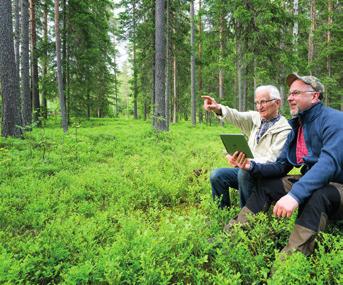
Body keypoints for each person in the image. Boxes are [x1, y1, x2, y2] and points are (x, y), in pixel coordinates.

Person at [227, 73, 343, 255]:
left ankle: (288, 262)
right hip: (317, 181)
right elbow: (282, 165)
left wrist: (295, 195)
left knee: (317, 195)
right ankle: (232, 236)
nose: (289, 98)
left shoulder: (335, 120)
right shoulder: (297, 125)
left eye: (296, 93)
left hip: (338, 185)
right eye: (290, 93)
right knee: (268, 185)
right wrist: (251, 166)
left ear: (314, 96)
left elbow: (328, 164)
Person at [202, 85, 291, 208]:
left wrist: (247, 163)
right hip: (247, 169)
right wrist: (217, 108)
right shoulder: (255, 118)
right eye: (257, 102)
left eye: (263, 102)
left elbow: (273, 160)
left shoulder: (285, 129)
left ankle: (246, 217)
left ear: (277, 103)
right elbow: (236, 116)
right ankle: (221, 213)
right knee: (217, 175)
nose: (259, 107)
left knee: (244, 172)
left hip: (266, 175)